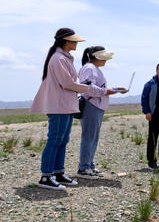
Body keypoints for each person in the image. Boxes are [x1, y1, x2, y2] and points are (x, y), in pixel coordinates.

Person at [30, 28, 111, 190]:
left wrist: (82, 87)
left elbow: (69, 83)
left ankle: (58, 172)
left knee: (62, 140)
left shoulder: (64, 58)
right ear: (67, 41)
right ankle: (46, 176)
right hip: (59, 105)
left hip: (66, 105)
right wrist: (87, 88)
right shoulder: (58, 59)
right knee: (55, 140)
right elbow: (67, 83)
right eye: (74, 41)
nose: (76, 44)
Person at [77, 46, 123, 179]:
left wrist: (114, 89)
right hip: (92, 105)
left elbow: (95, 86)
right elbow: (87, 88)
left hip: (96, 105)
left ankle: (89, 165)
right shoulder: (89, 68)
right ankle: (84, 168)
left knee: (93, 137)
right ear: (97, 56)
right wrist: (106, 91)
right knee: (89, 137)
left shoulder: (93, 69)